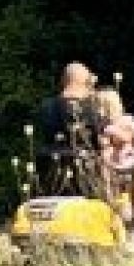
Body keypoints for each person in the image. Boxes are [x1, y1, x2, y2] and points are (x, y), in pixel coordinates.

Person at [30, 62, 100, 195]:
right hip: (84, 167)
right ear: (86, 81)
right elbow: (99, 140)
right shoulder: (93, 107)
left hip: (50, 164)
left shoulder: (46, 106)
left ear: (63, 80)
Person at [93, 94, 134, 227]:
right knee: (103, 166)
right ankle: (110, 206)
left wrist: (130, 138)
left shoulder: (127, 121)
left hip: (126, 161)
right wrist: (111, 136)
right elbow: (103, 144)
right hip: (110, 161)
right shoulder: (102, 125)